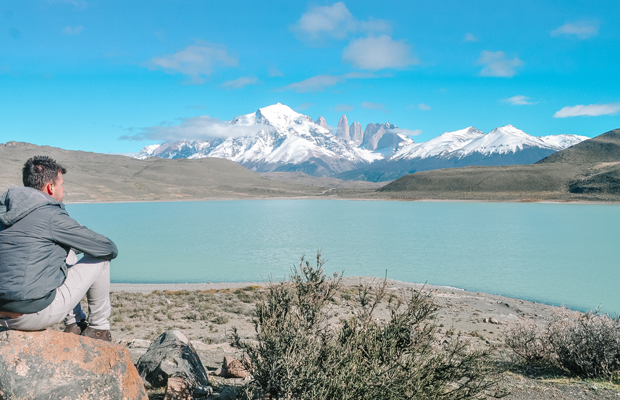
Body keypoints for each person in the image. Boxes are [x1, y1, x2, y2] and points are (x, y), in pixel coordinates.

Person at [0, 156, 118, 341]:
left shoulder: (3, 212)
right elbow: (107, 247)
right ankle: (99, 329)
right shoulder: (50, 215)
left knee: (65, 250)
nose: (64, 189)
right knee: (101, 259)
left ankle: (75, 325)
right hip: (31, 314)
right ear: (50, 188)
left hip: (2, 313)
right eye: (61, 184)